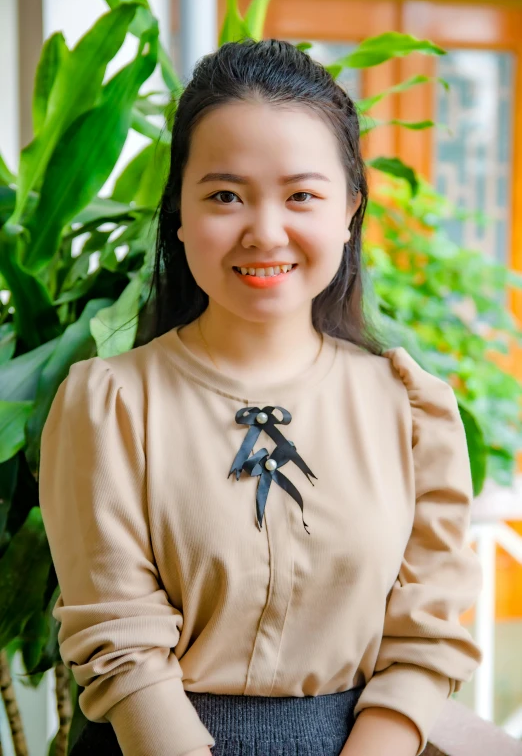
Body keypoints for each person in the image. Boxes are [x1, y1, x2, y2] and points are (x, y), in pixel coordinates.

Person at [39, 38, 483, 756]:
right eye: (225, 195)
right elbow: (119, 638)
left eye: (302, 194)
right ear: (179, 213)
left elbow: (425, 632)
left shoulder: (410, 409)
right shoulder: (109, 402)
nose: (265, 231)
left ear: (349, 212)